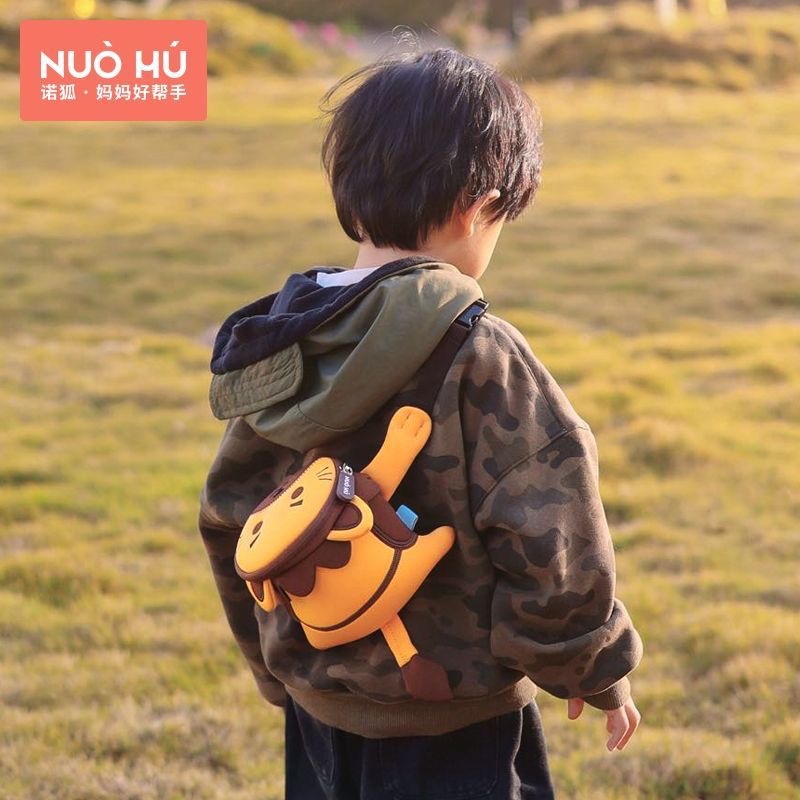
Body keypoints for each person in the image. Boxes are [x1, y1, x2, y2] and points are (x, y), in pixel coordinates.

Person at [198, 44, 644, 799]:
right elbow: (550, 533)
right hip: (455, 724)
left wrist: (276, 665)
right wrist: (592, 668)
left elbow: (229, 519)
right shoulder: (482, 353)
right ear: (479, 206)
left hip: (317, 712)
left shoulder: (285, 342)